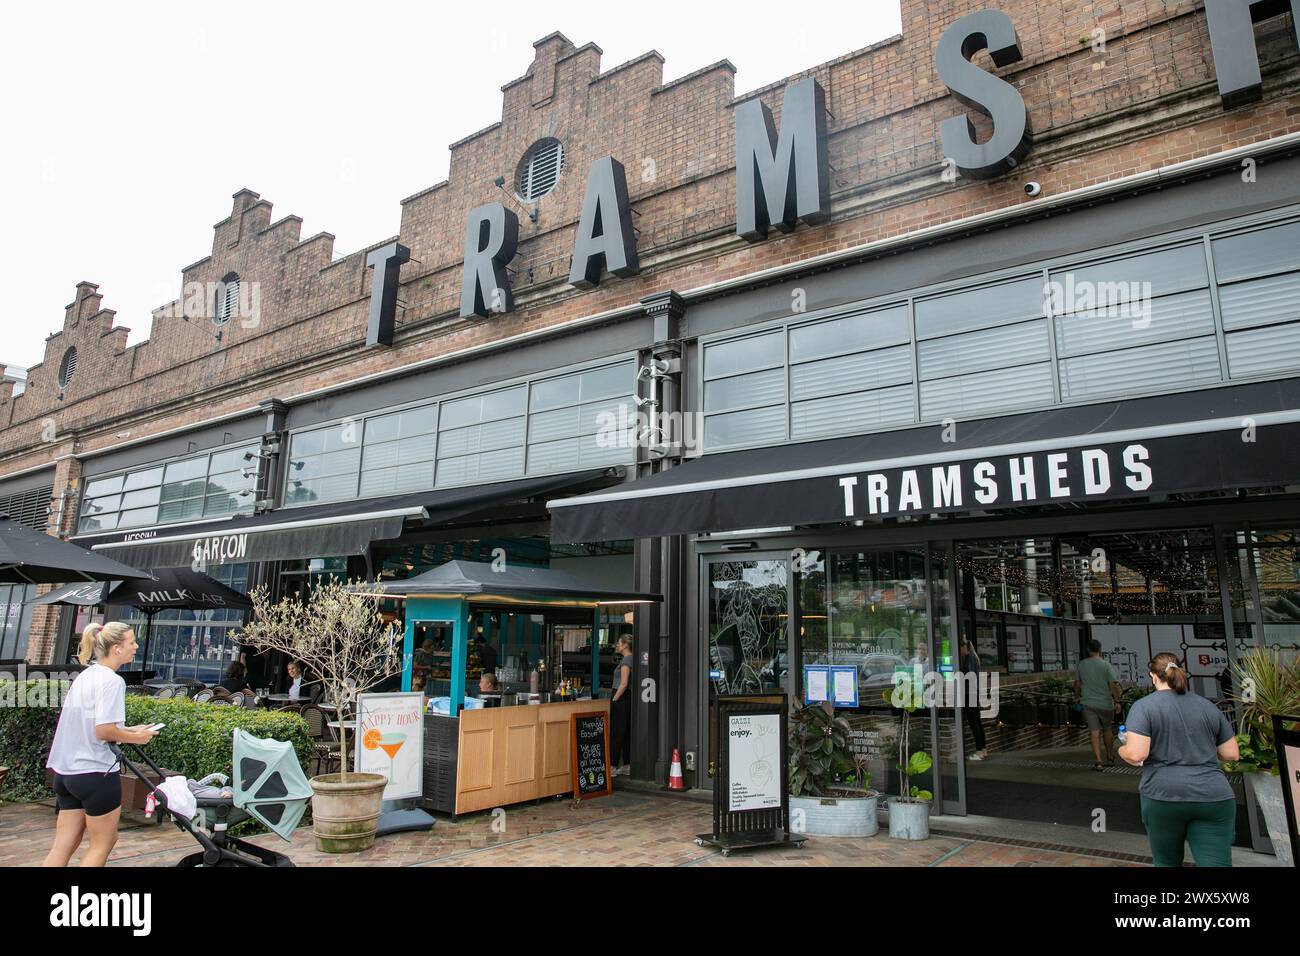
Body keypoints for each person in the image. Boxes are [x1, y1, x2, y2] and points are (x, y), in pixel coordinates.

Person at [44, 622, 159, 867]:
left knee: (63, 845)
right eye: (131, 642)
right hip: (95, 773)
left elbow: (89, 724)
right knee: (102, 844)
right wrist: (138, 737)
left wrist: (129, 730)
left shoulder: (87, 675)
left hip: (67, 774)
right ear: (116, 648)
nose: (136, 647)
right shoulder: (112, 681)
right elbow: (104, 731)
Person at [1118, 653, 1240, 867]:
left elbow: (1137, 754)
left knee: (1166, 862)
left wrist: (1122, 750)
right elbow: (1231, 754)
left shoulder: (1144, 707)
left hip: (1164, 796)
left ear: (1153, 676)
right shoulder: (1207, 706)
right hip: (1213, 796)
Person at [1074, 639, 1121, 771]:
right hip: (1106, 703)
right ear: (1099, 650)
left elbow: (1077, 684)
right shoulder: (1106, 665)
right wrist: (1117, 701)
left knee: (1094, 731)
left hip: (1088, 703)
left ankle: (1098, 761)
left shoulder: (1081, 665)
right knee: (1107, 729)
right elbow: (1113, 685)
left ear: (1088, 650)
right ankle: (1110, 757)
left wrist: (1076, 697)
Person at [958, 637, 988, 760]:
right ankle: (983, 750)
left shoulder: (969, 658)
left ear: (964, 647)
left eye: (959, 649)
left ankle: (979, 752)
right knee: (977, 723)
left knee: (974, 723)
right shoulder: (974, 657)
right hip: (973, 693)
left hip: (969, 693)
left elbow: (969, 675)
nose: (959, 652)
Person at [609, 636, 634, 776]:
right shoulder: (633, 659)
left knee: (616, 732)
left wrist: (614, 699)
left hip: (621, 696)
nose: (616, 645)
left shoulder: (626, 660)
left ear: (625, 645)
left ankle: (612, 765)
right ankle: (626, 765)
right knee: (626, 733)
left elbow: (623, 683)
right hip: (628, 698)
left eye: (618, 643)